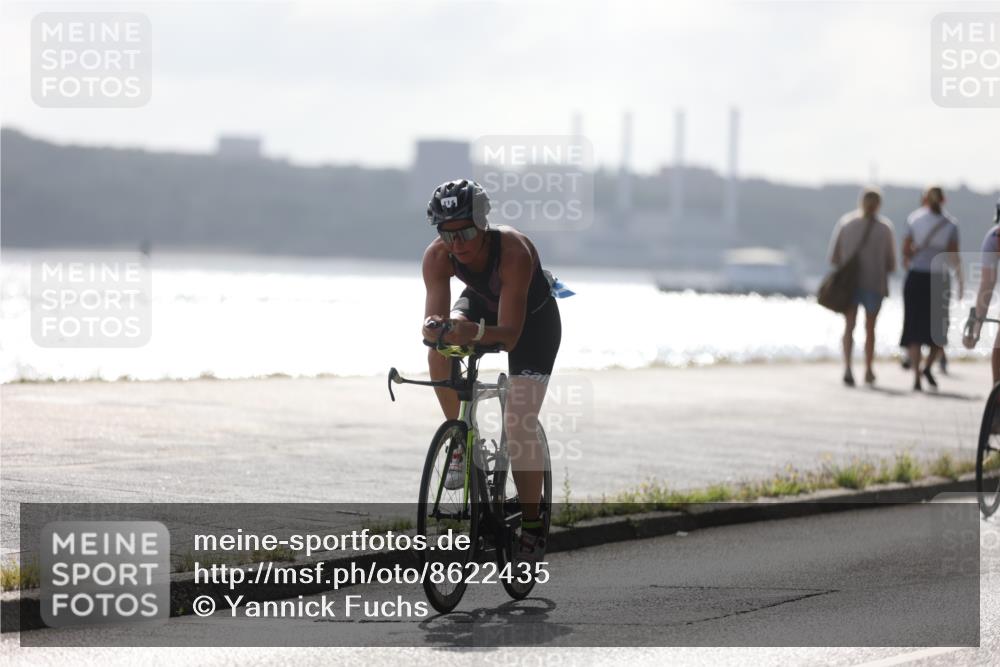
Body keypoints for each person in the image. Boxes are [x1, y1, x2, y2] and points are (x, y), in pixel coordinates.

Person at [420, 179, 561, 562]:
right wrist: (437, 327)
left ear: (482, 224)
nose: (457, 243)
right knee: (437, 349)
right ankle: (459, 444)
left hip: (531, 323)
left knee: (518, 423)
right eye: (447, 234)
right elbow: (434, 317)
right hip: (480, 307)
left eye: (465, 231)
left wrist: (475, 333)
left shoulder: (513, 251)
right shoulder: (437, 256)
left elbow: (511, 336)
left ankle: (532, 527)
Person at [828, 187, 897, 386]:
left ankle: (848, 367)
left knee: (849, 326)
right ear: (879, 204)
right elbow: (892, 263)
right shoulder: (885, 228)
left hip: (850, 284)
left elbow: (834, 257)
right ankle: (868, 369)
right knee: (870, 329)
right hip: (874, 283)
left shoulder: (846, 223)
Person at [900, 186, 963, 391]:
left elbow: (906, 252)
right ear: (944, 200)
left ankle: (916, 377)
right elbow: (954, 257)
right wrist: (961, 280)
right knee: (939, 329)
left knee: (914, 328)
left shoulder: (914, 219)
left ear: (925, 198)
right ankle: (928, 367)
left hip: (916, 277)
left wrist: (913, 257)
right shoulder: (951, 224)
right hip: (939, 278)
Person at [962, 196, 1000, 386]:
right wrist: (976, 327)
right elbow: (987, 285)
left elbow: (987, 285)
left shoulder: (995, 236)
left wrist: (976, 327)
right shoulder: (994, 239)